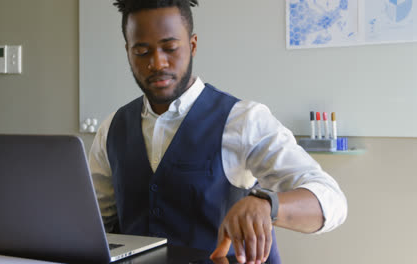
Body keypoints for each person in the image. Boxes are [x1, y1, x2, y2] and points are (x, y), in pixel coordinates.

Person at [89, 1, 347, 263]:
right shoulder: (111, 128)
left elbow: (332, 201)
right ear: (128, 52)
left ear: (192, 45)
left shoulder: (243, 120)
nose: (157, 63)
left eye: (170, 48)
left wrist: (268, 205)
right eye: (142, 51)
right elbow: (92, 223)